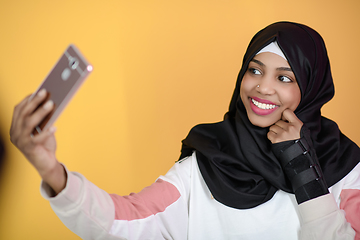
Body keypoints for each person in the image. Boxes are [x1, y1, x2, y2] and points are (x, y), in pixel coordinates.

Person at [10, 21, 360, 240]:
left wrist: (301, 165)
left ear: (312, 88)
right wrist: (50, 169)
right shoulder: (207, 161)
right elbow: (125, 222)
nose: (262, 88)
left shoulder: (345, 169)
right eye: (254, 71)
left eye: (284, 78)